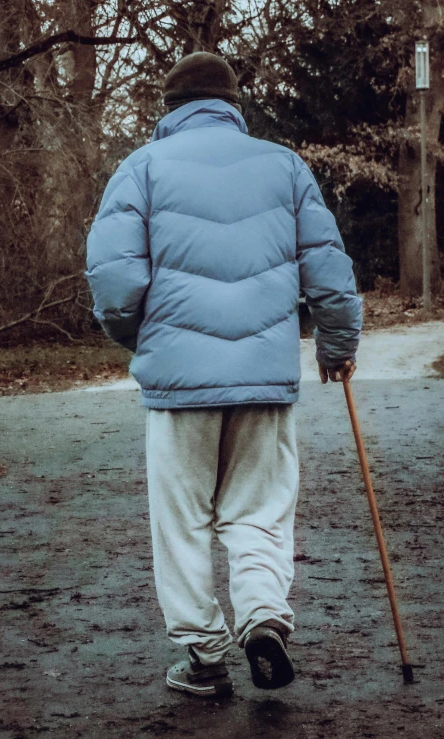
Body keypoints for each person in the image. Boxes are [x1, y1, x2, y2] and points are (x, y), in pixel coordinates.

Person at [86, 52, 362, 698]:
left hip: (179, 386)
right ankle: (263, 614)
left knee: (181, 517)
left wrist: (137, 336)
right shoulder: (284, 166)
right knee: (260, 509)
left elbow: (115, 283)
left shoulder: (141, 171)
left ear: (169, 108)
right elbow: (330, 270)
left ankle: (204, 657)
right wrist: (336, 346)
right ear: (233, 105)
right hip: (264, 382)